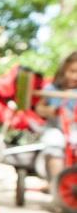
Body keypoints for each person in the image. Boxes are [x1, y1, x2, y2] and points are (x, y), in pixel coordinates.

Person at [35, 51, 77, 184]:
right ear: (64, 69)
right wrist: (49, 110)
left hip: (74, 130)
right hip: (56, 128)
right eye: (72, 71)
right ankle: (58, 185)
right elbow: (39, 108)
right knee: (54, 141)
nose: (75, 76)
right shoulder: (52, 89)